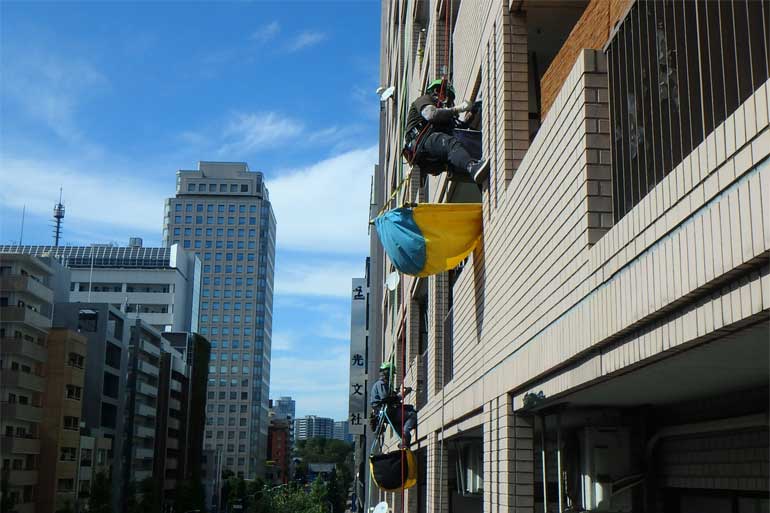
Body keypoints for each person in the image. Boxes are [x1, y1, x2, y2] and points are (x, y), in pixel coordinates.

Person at [402, 79, 490, 184]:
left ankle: (482, 179)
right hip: (422, 142)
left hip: (432, 156)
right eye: (447, 97)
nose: (448, 103)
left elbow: (461, 130)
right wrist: (458, 109)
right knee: (451, 144)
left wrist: (474, 111)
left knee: (460, 156)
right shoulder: (424, 99)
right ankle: (473, 167)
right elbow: (431, 114)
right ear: (436, 91)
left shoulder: (445, 118)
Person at [370, 362, 417, 448]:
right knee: (412, 415)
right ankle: (405, 435)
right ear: (387, 372)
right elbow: (386, 398)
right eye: (392, 373)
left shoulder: (383, 385)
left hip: (386, 412)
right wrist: (403, 393)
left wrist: (398, 394)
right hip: (387, 412)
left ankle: (404, 443)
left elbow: (391, 398)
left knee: (401, 428)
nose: (393, 376)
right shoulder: (381, 384)